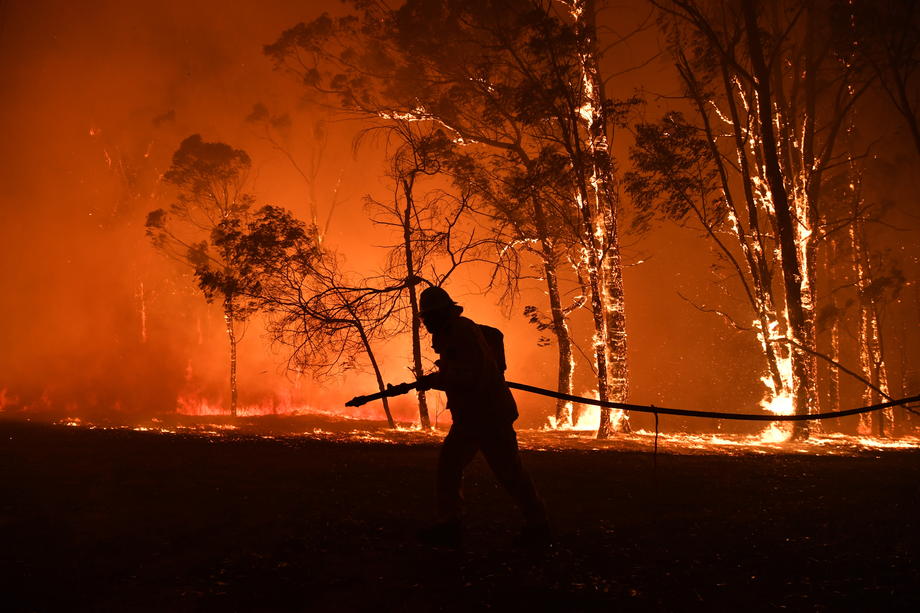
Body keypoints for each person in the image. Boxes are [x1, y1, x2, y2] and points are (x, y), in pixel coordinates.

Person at [414, 286, 550, 548]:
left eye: (429, 317)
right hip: (476, 415)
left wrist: (436, 380)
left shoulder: (460, 334)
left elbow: (469, 376)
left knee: (505, 471)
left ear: (441, 314)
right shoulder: (457, 331)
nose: (427, 322)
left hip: (485, 414)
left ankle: (537, 524)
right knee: (455, 466)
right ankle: (451, 523)